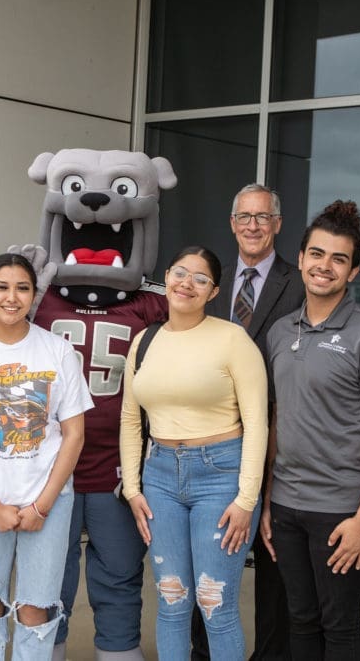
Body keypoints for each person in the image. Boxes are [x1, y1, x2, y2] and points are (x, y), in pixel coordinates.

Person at [23, 147, 176, 661]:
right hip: (52, 469)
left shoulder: (155, 302)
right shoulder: (36, 296)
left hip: (119, 471)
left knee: (118, 577)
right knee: (49, 580)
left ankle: (119, 651)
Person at [261, 200, 360, 660]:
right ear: (300, 259)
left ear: (354, 271)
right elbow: (278, 420)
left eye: (339, 259)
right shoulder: (281, 332)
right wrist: (266, 500)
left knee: (339, 626)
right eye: (317, 254)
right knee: (299, 620)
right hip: (286, 505)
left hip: (341, 510)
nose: (325, 267)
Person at [0, 253, 94, 660]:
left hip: (47, 502)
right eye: (2, 287)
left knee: (36, 607)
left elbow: (74, 435)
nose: (12, 297)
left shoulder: (58, 351)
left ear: (33, 294)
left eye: (22, 288)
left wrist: (41, 506)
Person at [120, 245, 269, 661]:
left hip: (221, 476)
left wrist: (246, 499)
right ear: (166, 276)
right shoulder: (145, 341)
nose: (187, 283)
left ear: (214, 291)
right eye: (180, 272)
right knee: (171, 600)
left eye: (200, 278)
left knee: (214, 603)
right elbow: (131, 419)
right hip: (160, 477)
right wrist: (132, 489)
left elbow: (257, 423)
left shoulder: (232, 340)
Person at [202, 184, 305, 661]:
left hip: (277, 436)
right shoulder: (208, 279)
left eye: (263, 217)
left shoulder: (299, 281)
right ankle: (203, 652)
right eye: (244, 216)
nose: (253, 225)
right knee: (207, 556)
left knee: (272, 561)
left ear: (278, 224)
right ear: (231, 222)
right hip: (211, 439)